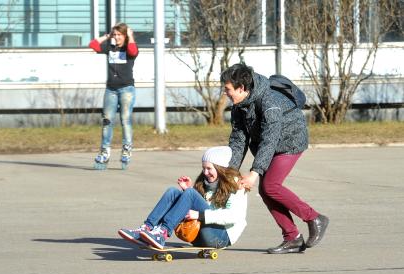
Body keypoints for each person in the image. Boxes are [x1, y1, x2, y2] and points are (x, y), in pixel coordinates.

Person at [220, 63, 329, 254]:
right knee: (266, 190)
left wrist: (254, 173)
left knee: (270, 186)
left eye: (228, 89)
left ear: (242, 88)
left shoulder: (270, 102)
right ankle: (292, 238)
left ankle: (315, 218)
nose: (225, 93)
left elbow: (270, 140)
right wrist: (230, 173)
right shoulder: (239, 106)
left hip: (290, 141)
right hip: (269, 144)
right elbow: (238, 140)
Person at [118, 146, 248, 249]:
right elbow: (203, 204)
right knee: (173, 192)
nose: (205, 173)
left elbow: (233, 216)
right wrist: (187, 190)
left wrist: (199, 215)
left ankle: (162, 233)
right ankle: (146, 229)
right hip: (200, 233)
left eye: (209, 168)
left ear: (221, 169)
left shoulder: (236, 185)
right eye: (203, 168)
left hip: (221, 237)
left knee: (190, 193)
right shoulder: (206, 182)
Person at [88, 23, 139, 169]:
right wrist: (107, 36)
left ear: (124, 36)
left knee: (125, 120)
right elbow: (93, 44)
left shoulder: (129, 48)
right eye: (115, 35)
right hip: (111, 89)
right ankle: (104, 152)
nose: (116, 38)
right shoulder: (109, 48)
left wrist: (130, 36)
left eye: (119, 35)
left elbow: (133, 51)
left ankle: (126, 150)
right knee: (107, 120)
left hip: (126, 89)